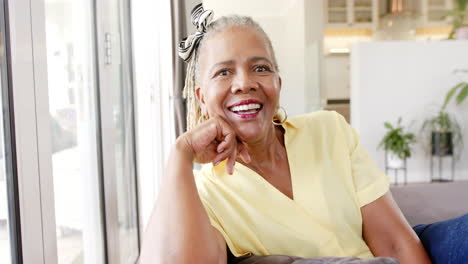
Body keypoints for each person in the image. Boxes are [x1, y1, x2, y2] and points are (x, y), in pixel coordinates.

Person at [139, 4, 468, 264]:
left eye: (260, 68)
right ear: (201, 97)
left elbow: (396, 241)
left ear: (278, 84)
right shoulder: (204, 195)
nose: (244, 83)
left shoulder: (329, 130)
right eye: (224, 72)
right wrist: (180, 153)